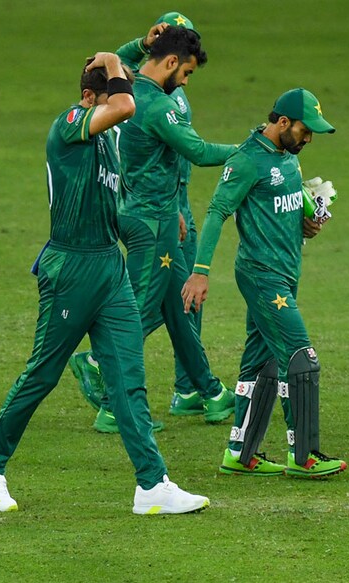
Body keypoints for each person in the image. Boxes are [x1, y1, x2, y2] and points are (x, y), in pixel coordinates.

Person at [0, 54, 208, 514]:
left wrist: (156, 222)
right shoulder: (70, 122)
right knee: (42, 374)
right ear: (88, 98)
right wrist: (118, 59)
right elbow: (122, 107)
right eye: (113, 93)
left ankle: (152, 485)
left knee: (127, 378)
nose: (120, 105)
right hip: (70, 269)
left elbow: (112, 208)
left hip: (108, 270)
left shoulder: (107, 145)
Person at [66, 25, 235, 434]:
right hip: (151, 224)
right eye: (187, 73)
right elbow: (197, 152)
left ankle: (210, 391)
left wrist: (141, 44)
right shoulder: (158, 106)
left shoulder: (126, 89)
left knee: (180, 305)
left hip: (145, 209)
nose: (186, 81)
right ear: (173, 62)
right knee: (137, 314)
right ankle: (110, 403)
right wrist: (255, 147)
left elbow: (102, 60)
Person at [181, 88, 347, 478]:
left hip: (285, 273)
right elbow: (217, 211)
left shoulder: (288, 158)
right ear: (283, 123)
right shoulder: (247, 161)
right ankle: (304, 456)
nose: (308, 140)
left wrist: (308, 221)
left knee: (263, 364)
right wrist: (200, 271)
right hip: (262, 275)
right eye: (306, 131)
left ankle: (240, 453)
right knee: (300, 358)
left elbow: (287, 205)